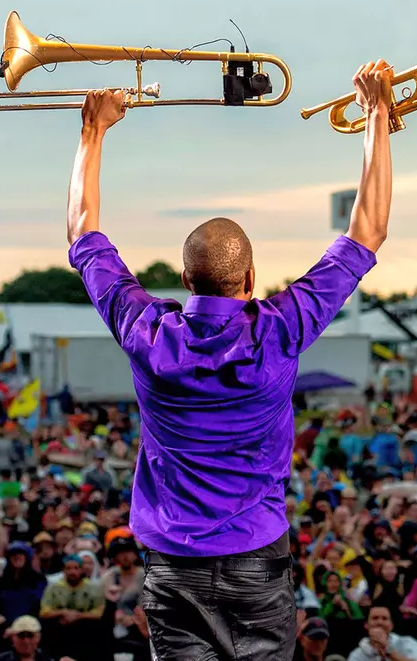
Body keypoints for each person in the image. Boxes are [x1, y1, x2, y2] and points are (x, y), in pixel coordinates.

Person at [65, 57, 396, 661]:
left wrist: (94, 131)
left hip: (172, 565)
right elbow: (367, 230)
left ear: (185, 276)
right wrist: (376, 111)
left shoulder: (147, 331)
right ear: (250, 276)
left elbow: (83, 232)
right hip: (255, 562)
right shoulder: (281, 329)